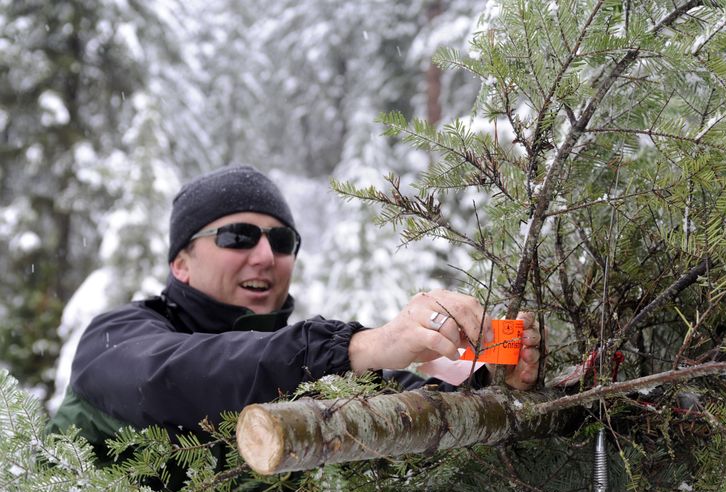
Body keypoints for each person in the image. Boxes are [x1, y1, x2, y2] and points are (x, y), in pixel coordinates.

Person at [49, 165, 541, 454]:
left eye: (280, 240)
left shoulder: (299, 362)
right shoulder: (116, 336)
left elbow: (396, 400)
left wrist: (492, 383)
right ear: (181, 263)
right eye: (236, 236)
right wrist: (357, 345)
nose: (264, 255)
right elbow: (173, 378)